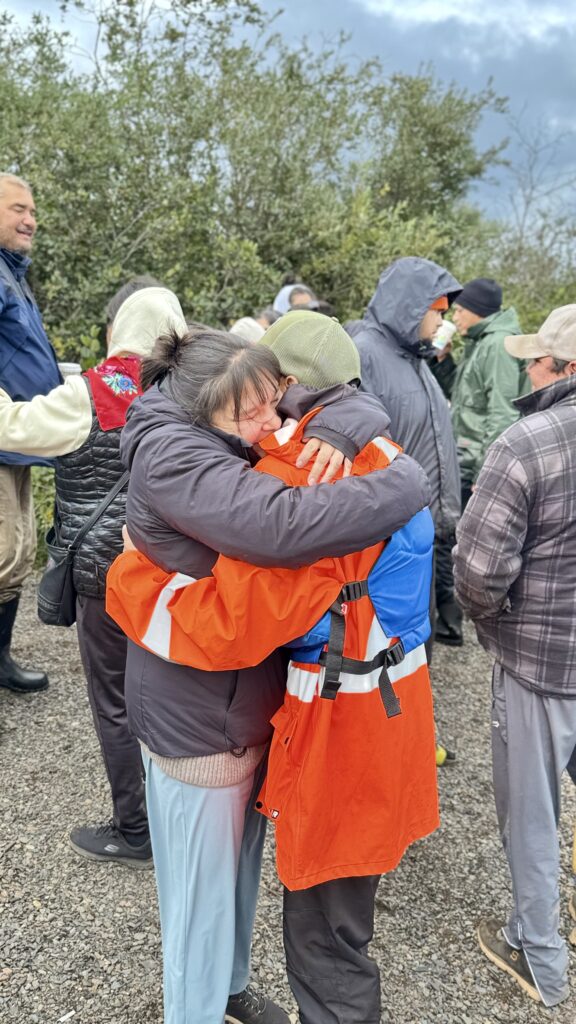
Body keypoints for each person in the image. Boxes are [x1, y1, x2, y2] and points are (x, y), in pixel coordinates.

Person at [106, 310, 439, 1024]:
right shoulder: (182, 458)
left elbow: (340, 392)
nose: (267, 419)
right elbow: (279, 529)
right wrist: (408, 478)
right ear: (207, 406)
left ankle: (227, 992)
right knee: (200, 901)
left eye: (276, 399)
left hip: (254, 711)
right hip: (202, 718)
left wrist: (345, 418)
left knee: (236, 878)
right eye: (250, 408)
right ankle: (197, 1006)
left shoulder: (249, 433)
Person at [0, 284, 186, 868]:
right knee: (177, 696)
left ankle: (136, 829)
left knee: (115, 701)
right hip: (179, 577)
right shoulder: (197, 388)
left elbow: (12, 429)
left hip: (105, 575)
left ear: (115, 333)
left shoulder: (91, 392)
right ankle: (185, 817)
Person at [453, 304, 576, 1008]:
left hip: (542, 664)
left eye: (535, 359)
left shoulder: (526, 442)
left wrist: (498, 616)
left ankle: (540, 957)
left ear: (562, 369)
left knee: (532, 815)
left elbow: (476, 571)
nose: (523, 367)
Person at [351, 257, 463, 659]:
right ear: (411, 306)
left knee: (418, 639)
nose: (441, 322)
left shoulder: (416, 360)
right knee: (391, 643)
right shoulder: (365, 355)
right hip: (390, 538)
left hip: (421, 531)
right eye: (437, 312)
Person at [0, 172, 62, 693]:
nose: (30, 220)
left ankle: (1, 659)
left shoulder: (13, 274)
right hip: (3, 435)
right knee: (2, 551)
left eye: (33, 211)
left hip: (19, 440)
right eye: (18, 209)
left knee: (15, 552)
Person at [451, 277, 526, 506]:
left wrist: (485, 473)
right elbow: (463, 395)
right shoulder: (480, 341)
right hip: (467, 457)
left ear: (477, 311)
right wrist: (441, 361)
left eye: (459, 310)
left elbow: (503, 413)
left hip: (476, 465)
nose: (454, 318)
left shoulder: (497, 345)